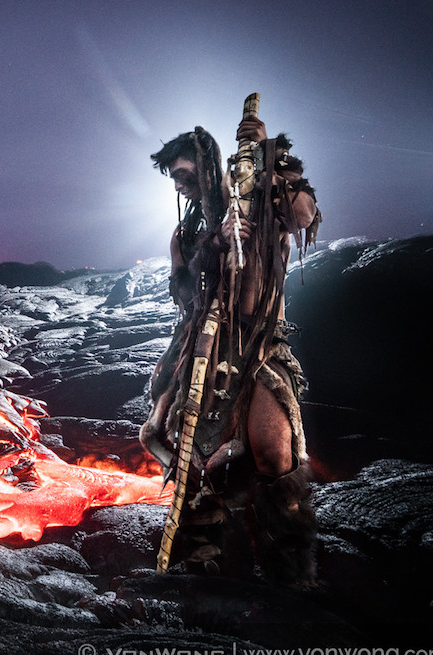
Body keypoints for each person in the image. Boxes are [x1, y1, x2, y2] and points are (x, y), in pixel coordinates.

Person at [139, 113, 322, 589]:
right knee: (194, 453)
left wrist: (272, 156)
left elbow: (302, 215)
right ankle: (204, 564)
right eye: (173, 178)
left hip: (259, 344)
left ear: (206, 165)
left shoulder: (261, 199)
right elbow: (183, 295)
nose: (179, 185)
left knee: (273, 452)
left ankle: (292, 573)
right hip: (205, 347)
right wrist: (212, 247)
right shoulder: (186, 234)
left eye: (183, 174)